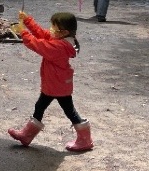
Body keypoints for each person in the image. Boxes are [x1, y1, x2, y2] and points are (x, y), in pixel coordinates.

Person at [7, 10, 94, 152]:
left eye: (54, 27)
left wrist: (23, 32)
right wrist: (28, 21)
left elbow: (38, 44)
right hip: (55, 83)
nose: (51, 30)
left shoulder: (60, 47)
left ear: (64, 32)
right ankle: (26, 135)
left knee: (68, 111)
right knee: (41, 107)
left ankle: (85, 140)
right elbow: (42, 34)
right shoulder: (61, 40)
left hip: (56, 85)